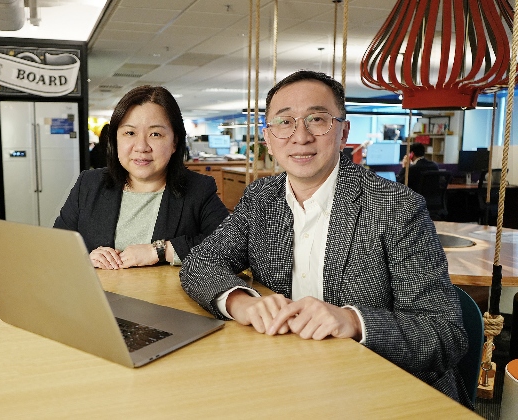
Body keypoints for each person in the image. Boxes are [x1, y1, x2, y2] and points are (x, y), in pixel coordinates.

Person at [180, 70, 470, 407]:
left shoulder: (397, 207)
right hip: (290, 379)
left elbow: (444, 334)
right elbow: (201, 263)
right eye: (285, 122)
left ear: (344, 132)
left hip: (386, 390)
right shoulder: (261, 197)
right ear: (269, 137)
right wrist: (242, 302)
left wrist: (352, 321)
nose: (300, 137)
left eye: (317, 119)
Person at [55, 85, 229, 269]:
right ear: (115, 139)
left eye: (155, 134)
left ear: (174, 142)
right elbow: (56, 247)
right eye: (130, 133)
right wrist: (84, 258)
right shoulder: (89, 184)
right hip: (97, 296)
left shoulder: (198, 189)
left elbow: (230, 246)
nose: (141, 146)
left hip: (162, 297)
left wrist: (162, 251)